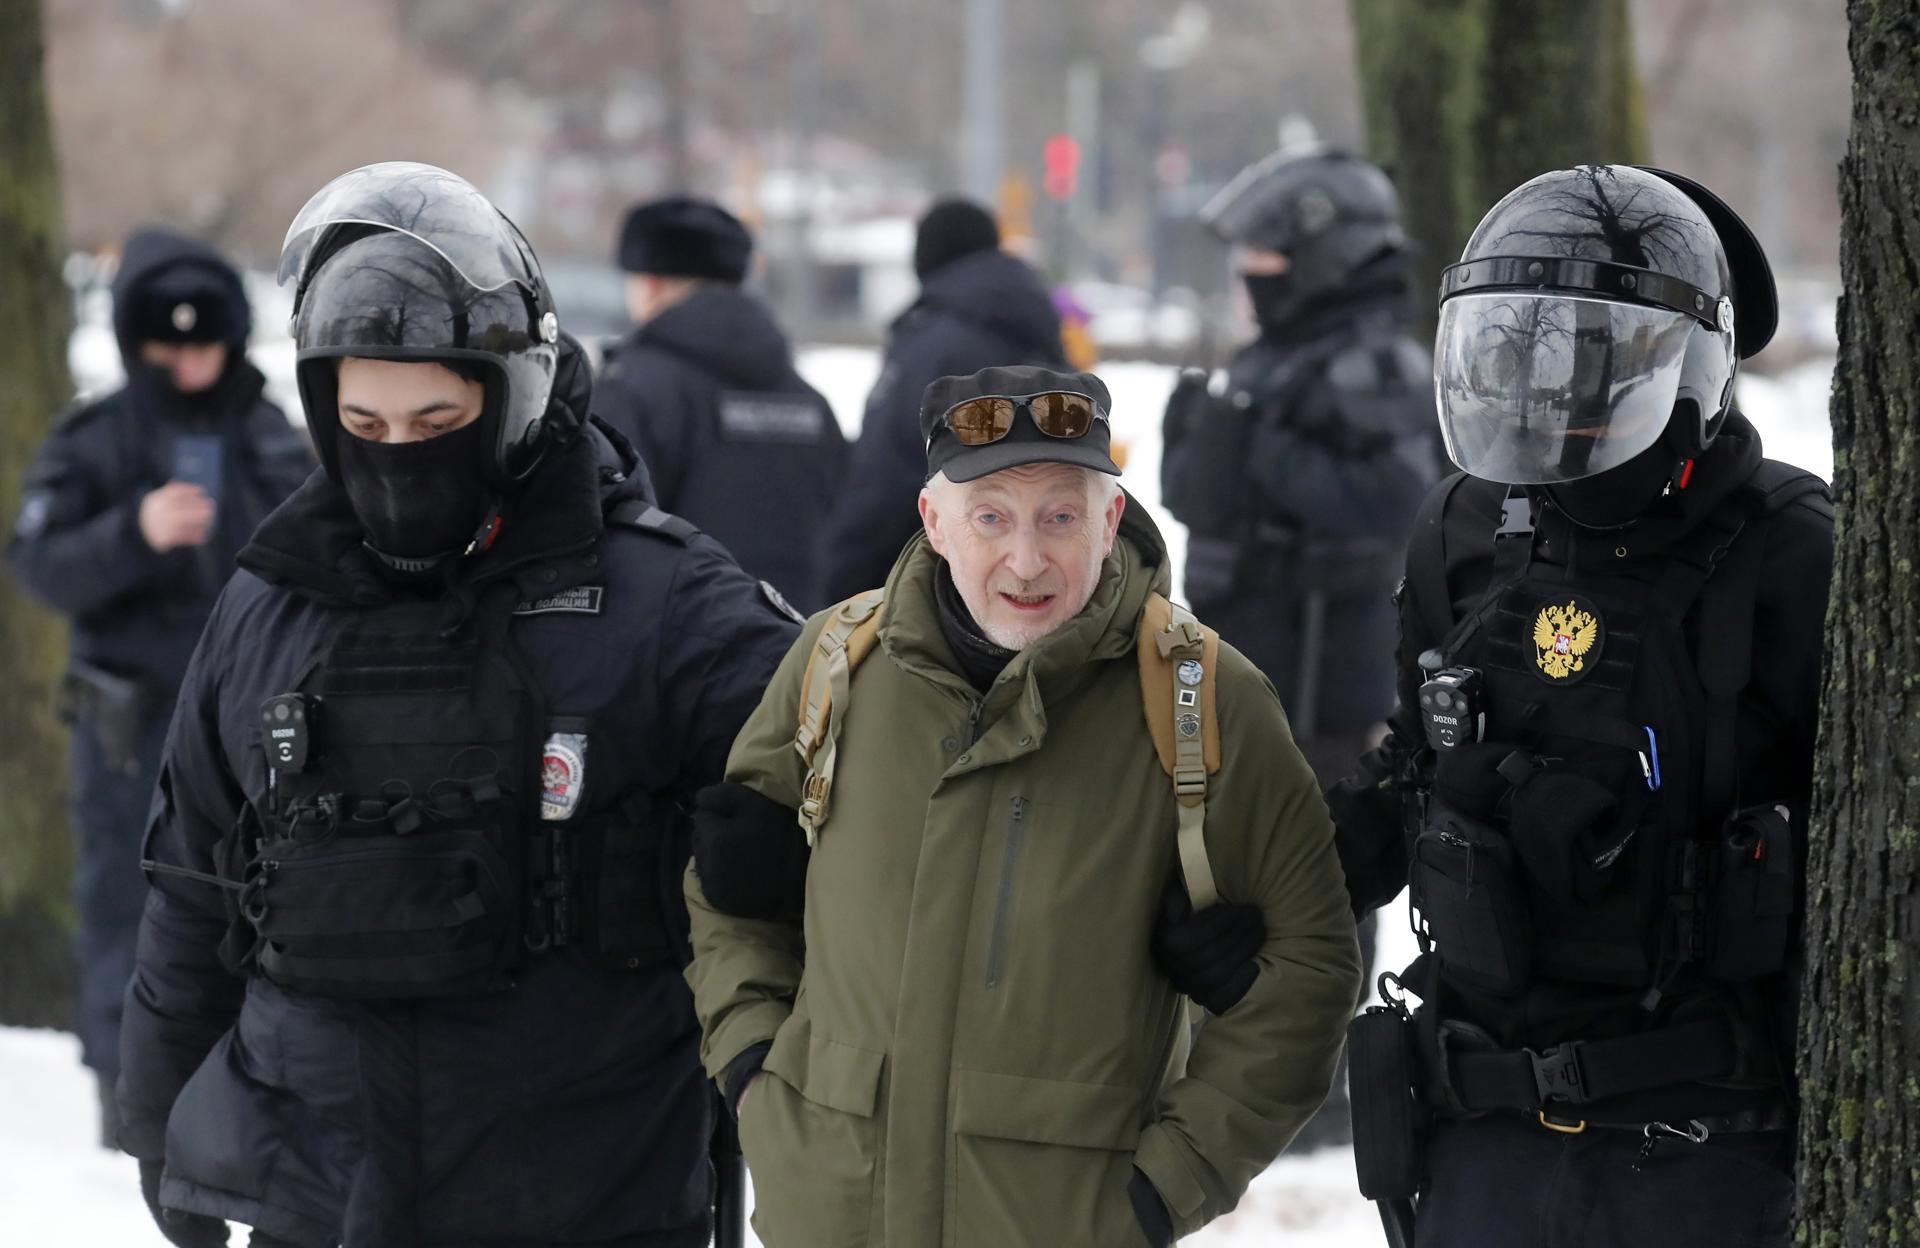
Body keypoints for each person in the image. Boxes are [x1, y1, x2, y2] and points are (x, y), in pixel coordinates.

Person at [115, 163, 801, 1248]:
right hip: (316, 1194)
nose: (401, 456)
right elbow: (195, 880)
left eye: (436, 417)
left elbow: (856, 786)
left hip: (592, 1192)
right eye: (367, 425)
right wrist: (162, 1130)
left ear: (510, 398)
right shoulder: (268, 604)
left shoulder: (664, 603)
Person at [685, 363, 1362, 1247]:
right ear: (934, 523)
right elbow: (730, 896)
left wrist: (1169, 1184)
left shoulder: (1203, 697)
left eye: (1061, 516)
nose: (1028, 559)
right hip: (832, 1212)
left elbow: (1313, 967)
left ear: (1110, 518)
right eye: (992, 517)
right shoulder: (832, 667)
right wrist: (752, 1074)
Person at [1326, 165, 1833, 1247]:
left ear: (1686, 369)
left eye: (1589, 356)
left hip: (1706, 1163)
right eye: (1519, 350)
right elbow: (1415, 764)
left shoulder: (1797, 555)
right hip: (1483, 1142)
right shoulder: (1463, 532)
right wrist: (1275, 885)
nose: (1547, 395)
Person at [8, 225, 312, 1146]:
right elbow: (38, 565)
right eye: (166, 344)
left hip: (254, 726)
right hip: (127, 730)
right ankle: (124, 1107)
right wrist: (132, 533)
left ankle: (258, 1100)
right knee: (124, 911)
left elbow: (323, 559)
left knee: (270, 907)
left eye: (205, 342)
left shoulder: (270, 435)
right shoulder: (93, 438)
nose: (187, 362)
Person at [1161, 146, 1439, 1149]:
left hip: (1324, 679)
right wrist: (1203, 444)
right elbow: (1208, 500)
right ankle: (1252, 1060)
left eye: (1269, 269)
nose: (1252, 288)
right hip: (1245, 662)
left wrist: (1258, 448)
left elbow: (1392, 505)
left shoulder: (1371, 358)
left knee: (1315, 872)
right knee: (1234, 868)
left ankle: (1321, 1084)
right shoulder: (1280, 357)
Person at [596, 195, 844, 614]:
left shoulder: (635, 387)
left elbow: (599, 525)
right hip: (798, 653)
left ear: (650, 284)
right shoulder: (810, 402)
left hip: (676, 653)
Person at [819, 197, 1067, 603]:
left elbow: (885, 475)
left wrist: (842, 589)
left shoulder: (934, 345)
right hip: (1030, 585)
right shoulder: (1036, 331)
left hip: (924, 592)